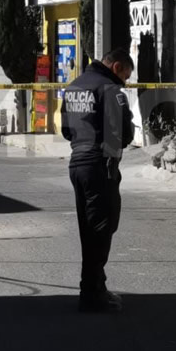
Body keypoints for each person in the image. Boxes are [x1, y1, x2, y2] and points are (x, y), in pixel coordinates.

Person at [60, 49, 134, 312]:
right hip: (100, 166)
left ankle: (94, 288)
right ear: (116, 67)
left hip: (77, 164)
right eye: (125, 76)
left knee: (88, 230)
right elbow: (124, 135)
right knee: (102, 230)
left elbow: (67, 130)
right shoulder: (110, 90)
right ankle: (92, 294)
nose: (124, 82)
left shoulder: (73, 87)